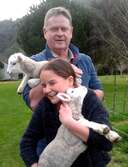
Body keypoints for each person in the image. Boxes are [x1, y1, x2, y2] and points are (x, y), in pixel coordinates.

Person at [20, 58, 112, 167]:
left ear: (70, 80)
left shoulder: (88, 99)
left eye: (52, 83)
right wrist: (33, 164)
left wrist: (70, 123)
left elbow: (106, 142)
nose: (47, 90)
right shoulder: (45, 105)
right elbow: (27, 141)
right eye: (43, 85)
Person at [22, 6, 104, 111]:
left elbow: (100, 92)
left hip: (84, 124)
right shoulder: (33, 62)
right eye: (54, 29)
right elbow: (33, 103)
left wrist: (79, 97)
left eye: (64, 29)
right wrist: (59, 70)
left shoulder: (85, 60)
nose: (60, 34)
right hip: (51, 126)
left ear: (71, 32)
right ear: (45, 32)